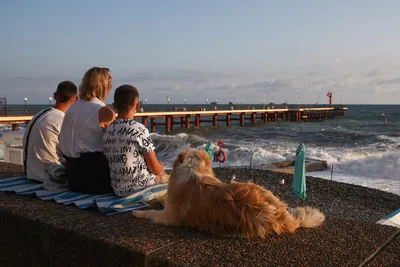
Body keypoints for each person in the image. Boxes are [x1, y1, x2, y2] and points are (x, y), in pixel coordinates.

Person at [102, 84, 168, 197]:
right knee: (165, 177)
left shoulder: (108, 131)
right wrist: (160, 169)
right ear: (137, 105)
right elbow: (155, 169)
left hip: (118, 190)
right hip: (141, 188)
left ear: (114, 106)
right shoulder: (139, 129)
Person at [59, 67, 115, 194]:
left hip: (72, 176)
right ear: (106, 86)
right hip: (95, 178)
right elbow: (115, 145)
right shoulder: (103, 110)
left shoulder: (73, 107)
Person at [22, 81, 78, 187]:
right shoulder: (63, 119)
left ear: (55, 96)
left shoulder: (40, 114)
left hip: (30, 173)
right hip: (49, 176)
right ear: (76, 99)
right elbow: (72, 151)